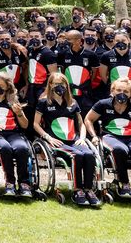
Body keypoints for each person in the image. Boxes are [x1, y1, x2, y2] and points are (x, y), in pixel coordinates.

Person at [32, 71, 97, 207]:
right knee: (77, 155)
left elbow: (81, 123)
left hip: (73, 139)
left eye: (62, 84)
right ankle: (78, 190)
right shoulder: (44, 102)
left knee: (89, 154)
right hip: (55, 140)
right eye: (56, 84)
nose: (59, 86)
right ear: (50, 85)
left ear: (67, 85)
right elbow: (36, 124)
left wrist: (83, 137)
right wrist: (47, 138)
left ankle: (89, 189)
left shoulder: (73, 102)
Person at [86, 78, 131, 199]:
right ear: (112, 91)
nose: (122, 94)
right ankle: (124, 184)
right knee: (119, 149)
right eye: (119, 90)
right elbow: (88, 120)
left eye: (126, 91)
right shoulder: (103, 104)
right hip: (111, 136)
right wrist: (93, 136)